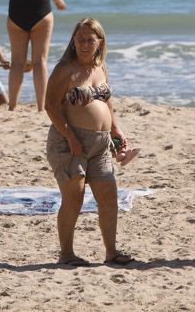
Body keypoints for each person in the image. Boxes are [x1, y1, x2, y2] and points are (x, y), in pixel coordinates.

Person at [45, 18, 134, 267]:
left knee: (108, 196)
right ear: (73, 41)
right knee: (74, 197)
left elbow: (107, 102)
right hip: (69, 142)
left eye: (90, 40)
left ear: (99, 42)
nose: (85, 44)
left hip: (100, 144)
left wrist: (115, 129)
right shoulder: (65, 69)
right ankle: (66, 254)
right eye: (80, 39)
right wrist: (70, 137)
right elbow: (50, 106)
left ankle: (111, 252)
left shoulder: (100, 66)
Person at [5, 0, 66, 111]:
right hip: (41, 14)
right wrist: (60, 2)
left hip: (16, 13)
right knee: (40, 62)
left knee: (17, 62)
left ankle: (12, 105)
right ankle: (41, 107)